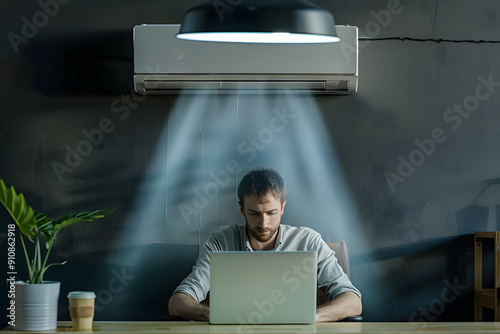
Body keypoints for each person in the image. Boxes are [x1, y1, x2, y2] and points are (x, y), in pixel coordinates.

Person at [168, 168, 362, 322]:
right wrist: (213, 315)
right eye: (254, 213)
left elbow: (353, 301)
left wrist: (312, 317)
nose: (263, 223)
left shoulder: (309, 241)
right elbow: (177, 301)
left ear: (283, 207)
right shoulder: (221, 241)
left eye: (271, 213)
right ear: (241, 209)